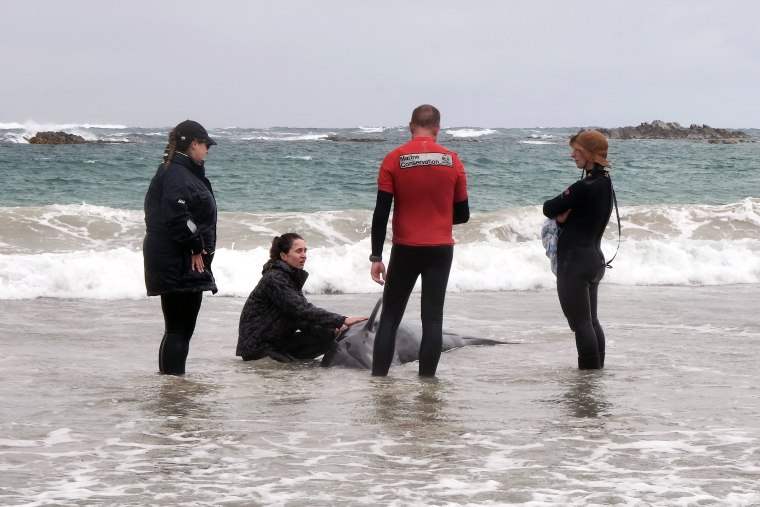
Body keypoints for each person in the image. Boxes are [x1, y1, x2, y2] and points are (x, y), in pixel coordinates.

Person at [369, 104, 470, 377]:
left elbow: (381, 214)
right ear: (438, 129)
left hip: (405, 248)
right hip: (440, 249)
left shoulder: (394, 159)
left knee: (390, 317)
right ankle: (427, 383)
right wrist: (436, 217)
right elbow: (463, 215)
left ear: (410, 126)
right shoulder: (453, 161)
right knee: (433, 319)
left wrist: (376, 256)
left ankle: (379, 381)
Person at [143, 120, 218, 375]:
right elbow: (177, 216)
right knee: (179, 329)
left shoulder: (180, 171)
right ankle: (173, 385)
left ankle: (171, 383)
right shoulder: (177, 173)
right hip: (177, 258)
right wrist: (196, 247)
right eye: (206, 145)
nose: (207, 150)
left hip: (175, 256)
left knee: (179, 329)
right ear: (194, 144)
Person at [543, 129, 614, 369]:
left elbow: (549, 207)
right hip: (595, 261)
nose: (573, 155)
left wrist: (563, 216)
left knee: (580, 324)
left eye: (577, 150)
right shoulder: (606, 184)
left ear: (589, 155)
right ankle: (596, 377)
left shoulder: (584, 187)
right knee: (591, 321)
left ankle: (586, 385)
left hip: (574, 263)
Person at [237, 233, 368, 363]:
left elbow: (301, 319)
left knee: (325, 338)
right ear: (284, 256)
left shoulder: (289, 278)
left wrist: (333, 331)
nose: (304, 255)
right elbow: (302, 310)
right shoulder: (275, 279)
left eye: (305, 250)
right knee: (290, 369)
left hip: (278, 341)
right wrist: (342, 320)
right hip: (257, 347)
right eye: (298, 251)